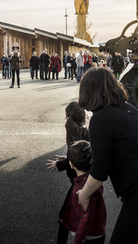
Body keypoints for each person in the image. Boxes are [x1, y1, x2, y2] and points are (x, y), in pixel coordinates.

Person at [77, 67, 138, 244]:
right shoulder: (128, 108)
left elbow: (100, 169)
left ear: (88, 91)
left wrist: (83, 194)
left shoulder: (100, 118)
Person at [46, 101, 92, 244]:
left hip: (79, 182)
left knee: (65, 216)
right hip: (86, 180)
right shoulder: (85, 131)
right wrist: (66, 158)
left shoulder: (75, 132)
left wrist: (59, 164)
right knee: (80, 215)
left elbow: (78, 159)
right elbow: (80, 157)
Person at [60, 140, 107, 244]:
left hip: (88, 236)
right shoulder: (91, 182)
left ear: (71, 164)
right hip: (93, 233)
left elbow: (86, 218)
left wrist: (78, 240)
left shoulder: (81, 190)